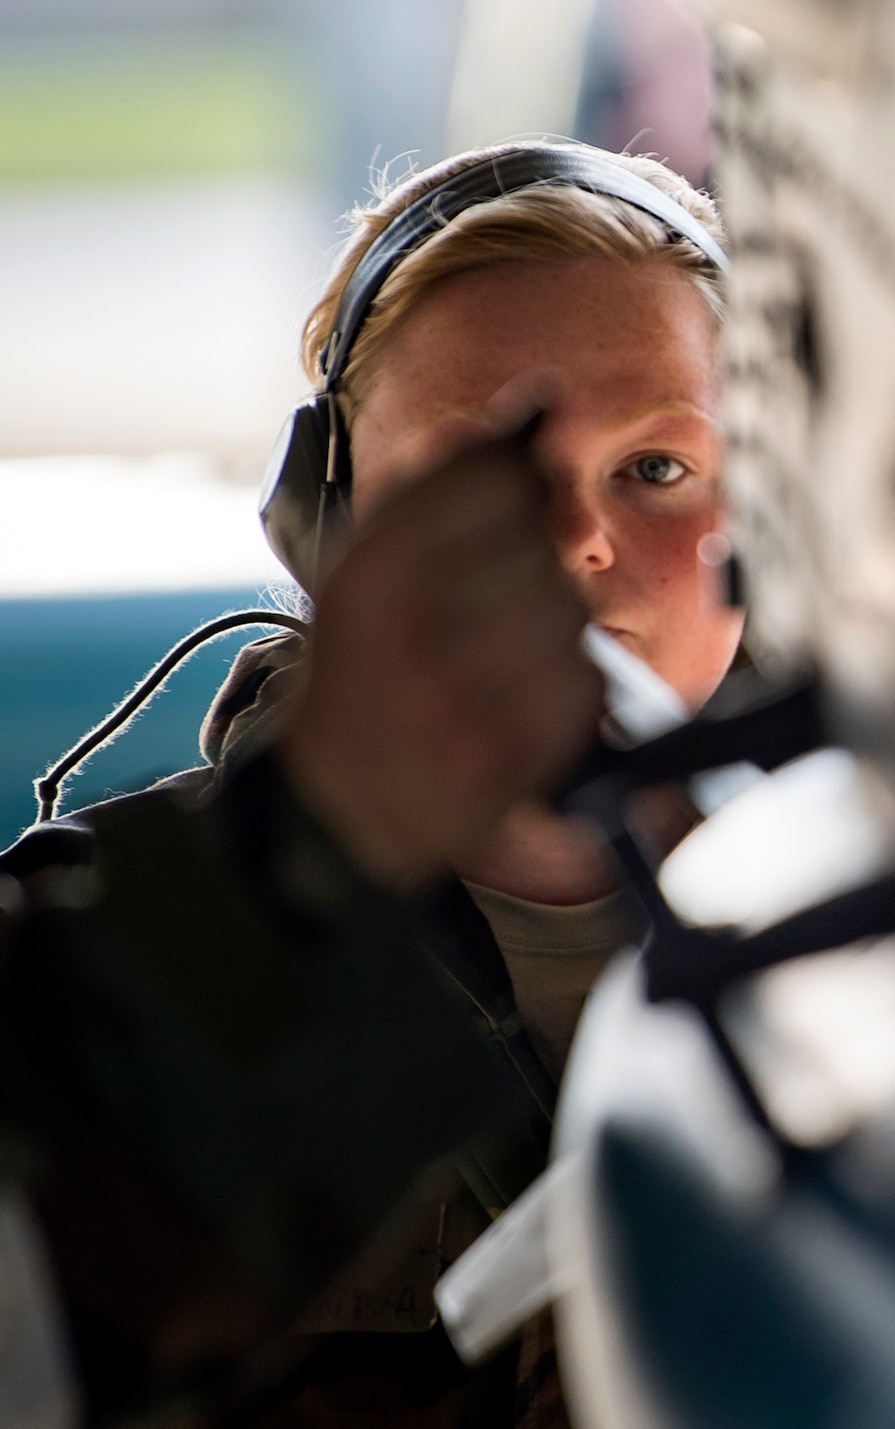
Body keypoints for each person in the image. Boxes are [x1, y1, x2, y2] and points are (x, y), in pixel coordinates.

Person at [0, 140, 739, 1429]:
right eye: (479, 475)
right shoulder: (96, 981)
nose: (575, 541)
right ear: (326, 521)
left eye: (659, 467)